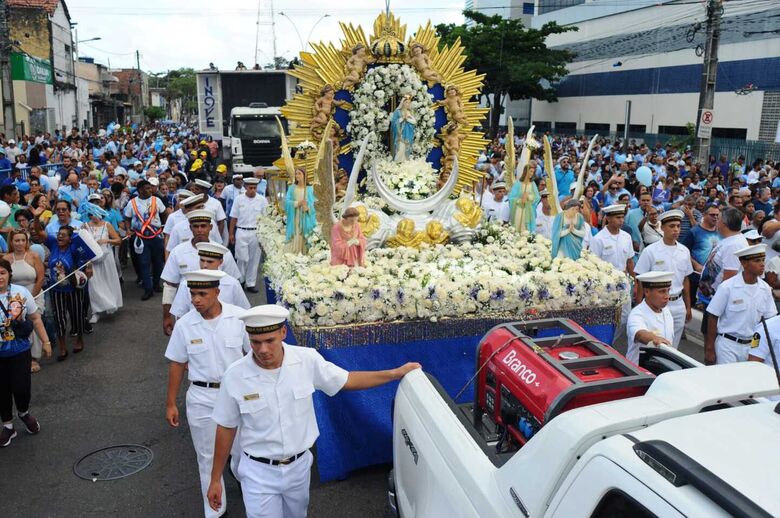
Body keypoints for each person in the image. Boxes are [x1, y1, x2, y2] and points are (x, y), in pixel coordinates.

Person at [206, 305, 421, 517]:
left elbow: (348, 379)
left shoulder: (306, 360)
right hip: (258, 472)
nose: (263, 349)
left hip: (298, 469)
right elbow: (226, 426)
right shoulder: (235, 375)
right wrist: (215, 478)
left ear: (283, 333)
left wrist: (394, 373)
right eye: (255, 342)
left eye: (269, 341)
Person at [165, 269, 249, 518]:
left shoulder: (239, 318)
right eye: (193, 294)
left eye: (202, 293)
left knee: (241, 450)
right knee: (206, 455)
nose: (196, 299)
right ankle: (214, 508)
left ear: (217, 292)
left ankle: (246, 482)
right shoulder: (186, 325)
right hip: (202, 397)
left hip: (236, 396)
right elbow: (177, 363)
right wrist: (171, 403)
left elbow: (255, 356)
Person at [161, 210, 241, 336]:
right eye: (195, 226)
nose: (199, 230)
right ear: (190, 228)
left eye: (203, 226)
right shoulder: (178, 252)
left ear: (210, 227)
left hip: (222, 320)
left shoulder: (223, 252)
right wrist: (166, 316)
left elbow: (233, 284)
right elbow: (170, 286)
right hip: (188, 315)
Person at [0, 257, 51, 447]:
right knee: (2, 391)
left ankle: (23, 412)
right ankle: (7, 426)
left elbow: (35, 318)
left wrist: (45, 341)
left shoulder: (21, 293)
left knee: (21, 387)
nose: (0, 277)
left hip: (20, 349)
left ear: (9, 274)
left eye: (2, 273)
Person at [705, 244, 777, 364]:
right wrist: (710, 348)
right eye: (757, 260)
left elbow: (769, 320)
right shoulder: (728, 287)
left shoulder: (765, 289)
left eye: (763, 260)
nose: (762, 264)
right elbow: (713, 316)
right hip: (728, 345)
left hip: (752, 346)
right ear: (744, 263)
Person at [634, 210, 693, 348]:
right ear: (662, 227)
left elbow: (685, 280)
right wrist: (638, 305)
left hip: (677, 303)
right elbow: (640, 279)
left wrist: (688, 306)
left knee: (673, 345)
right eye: (672, 226)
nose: (676, 230)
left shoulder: (684, 251)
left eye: (678, 226)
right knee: (653, 344)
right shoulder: (651, 250)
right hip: (655, 303)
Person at [697, 206, 749, 342]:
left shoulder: (734, 245)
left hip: (719, 303)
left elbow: (729, 277)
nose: (716, 221)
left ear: (724, 223)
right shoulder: (730, 241)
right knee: (707, 333)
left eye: (718, 218)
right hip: (712, 299)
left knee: (712, 340)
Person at [43, 226, 91, 360]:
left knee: (77, 315)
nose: (60, 237)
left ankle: (79, 339)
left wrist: (89, 269)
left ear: (70, 239)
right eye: (59, 234)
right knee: (59, 318)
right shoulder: (53, 245)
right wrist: (36, 218)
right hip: (56, 290)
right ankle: (62, 347)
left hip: (73, 290)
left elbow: (86, 261)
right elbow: (41, 234)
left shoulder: (75, 249)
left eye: (64, 235)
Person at [589, 204, 635, 342]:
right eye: (617, 217)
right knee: (606, 317)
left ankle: (610, 342)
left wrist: (634, 280)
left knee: (625, 317)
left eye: (622, 217)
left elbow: (630, 261)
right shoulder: (599, 239)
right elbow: (593, 264)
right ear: (608, 218)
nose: (621, 220)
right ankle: (604, 343)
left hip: (623, 281)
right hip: (606, 283)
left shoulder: (626, 237)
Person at [169, 243, 250, 318]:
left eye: (210, 262)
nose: (205, 265)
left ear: (220, 262)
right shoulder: (186, 283)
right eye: (202, 260)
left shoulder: (232, 283)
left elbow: (244, 311)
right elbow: (180, 314)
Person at [3, 230, 45, 373]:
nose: (20, 243)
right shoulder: (6, 258)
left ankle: (34, 357)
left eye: (23, 240)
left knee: (33, 321)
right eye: (17, 240)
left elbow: (40, 278)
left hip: (35, 294)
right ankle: (19, 354)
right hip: (14, 297)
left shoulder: (34, 256)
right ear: (11, 242)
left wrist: (31, 296)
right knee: (17, 323)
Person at [124, 179, 166, 300]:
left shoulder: (156, 200)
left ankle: (156, 284)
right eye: (147, 188)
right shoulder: (132, 203)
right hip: (140, 238)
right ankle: (148, 288)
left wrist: (164, 227)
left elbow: (164, 214)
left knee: (158, 262)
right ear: (140, 190)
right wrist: (128, 229)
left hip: (156, 236)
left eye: (150, 188)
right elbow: (127, 218)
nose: (150, 190)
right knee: (144, 263)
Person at [83, 203, 123, 320]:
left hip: (106, 257)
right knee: (94, 283)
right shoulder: (85, 226)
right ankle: (96, 311)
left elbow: (118, 240)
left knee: (108, 280)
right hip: (91, 258)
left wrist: (106, 240)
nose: (95, 217)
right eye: (92, 214)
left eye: (97, 214)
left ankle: (110, 303)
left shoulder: (107, 225)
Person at [228, 177, 268, 292]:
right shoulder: (239, 199)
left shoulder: (262, 200)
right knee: (241, 258)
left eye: (255, 188)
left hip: (256, 232)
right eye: (250, 188)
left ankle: (251, 283)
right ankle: (241, 280)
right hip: (241, 231)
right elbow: (233, 217)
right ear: (245, 187)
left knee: (254, 259)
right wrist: (231, 233)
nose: (253, 190)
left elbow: (266, 219)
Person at [626, 271, 675, 364]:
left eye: (668, 291)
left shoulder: (666, 311)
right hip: (639, 370)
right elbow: (640, 334)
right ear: (647, 292)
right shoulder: (637, 313)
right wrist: (655, 339)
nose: (667, 296)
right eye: (662, 292)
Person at [284, 169, 316, 255]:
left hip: (305, 216)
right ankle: (295, 252)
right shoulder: (291, 188)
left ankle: (305, 252)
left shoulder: (310, 189)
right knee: (296, 231)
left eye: (299, 174)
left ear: (304, 175)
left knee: (305, 234)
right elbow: (286, 202)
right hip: (295, 216)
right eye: (296, 174)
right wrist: (297, 203)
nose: (297, 176)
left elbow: (316, 204)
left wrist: (308, 207)